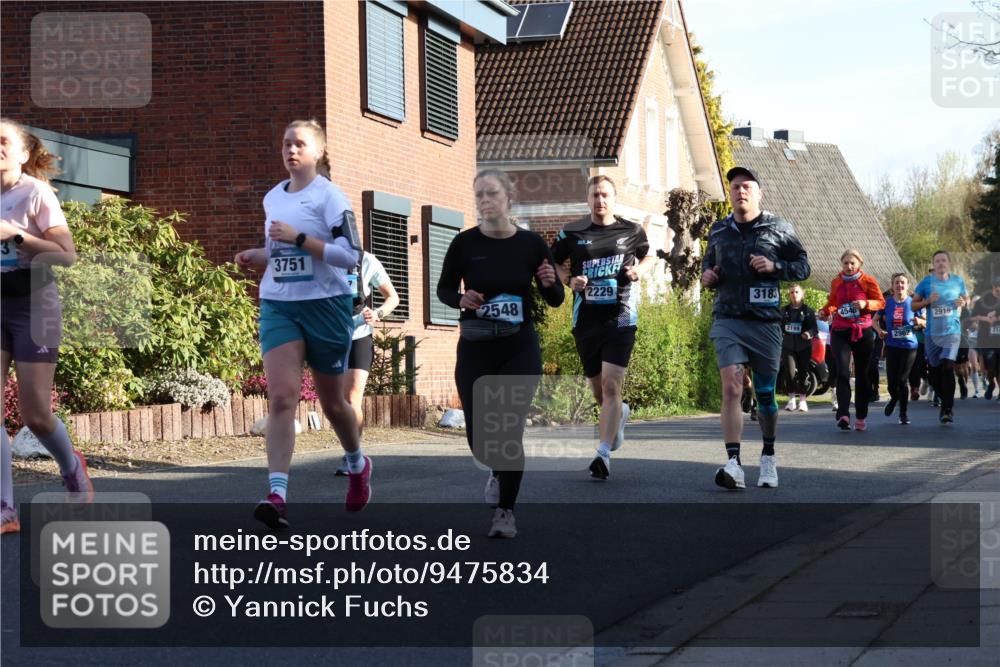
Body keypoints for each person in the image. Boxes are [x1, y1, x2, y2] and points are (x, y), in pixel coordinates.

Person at [234, 119, 368, 530]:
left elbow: (352, 256)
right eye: (286, 143)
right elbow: (280, 252)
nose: (291, 150)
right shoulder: (273, 196)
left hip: (326, 305)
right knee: (282, 399)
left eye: (300, 144)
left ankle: (357, 462)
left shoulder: (329, 197)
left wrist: (297, 240)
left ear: (318, 152)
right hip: (280, 304)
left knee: (333, 405)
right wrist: (260, 254)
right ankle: (278, 495)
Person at [437, 169, 564, 538]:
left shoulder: (531, 244)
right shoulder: (464, 244)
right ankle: (494, 468)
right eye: (478, 195)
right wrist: (460, 298)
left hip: (518, 346)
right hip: (476, 347)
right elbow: (444, 289)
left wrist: (549, 282)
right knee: (481, 439)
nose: (484, 200)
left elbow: (555, 299)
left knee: (508, 430)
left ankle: (505, 513)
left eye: (491, 193)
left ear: (509, 198)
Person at [1, 119, 94, 534]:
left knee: (36, 415)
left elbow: (66, 256)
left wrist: (16, 237)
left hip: (34, 306)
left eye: (4, 142)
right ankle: (5, 509)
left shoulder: (36, 193)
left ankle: (72, 467)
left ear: (23, 153)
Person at [701, 166, 810, 490]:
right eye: (735, 186)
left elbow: (804, 266)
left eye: (747, 186)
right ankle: (733, 463)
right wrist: (708, 277)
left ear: (759, 192)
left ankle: (768, 455)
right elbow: (708, 267)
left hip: (765, 323)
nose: (740, 191)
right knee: (733, 388)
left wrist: (775, 266)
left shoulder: (779, 227)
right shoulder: (719, 230)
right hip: (728, 319)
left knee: (765, 395)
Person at [550, 175, 654, 481]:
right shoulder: (571, 232)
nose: (601, 201)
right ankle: (618, 414)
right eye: (595, 195)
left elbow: (649, 255)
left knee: (611, 385)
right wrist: (569, 280)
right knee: (600, 392)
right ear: (588, 199)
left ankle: (603, 453)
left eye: (606, 195)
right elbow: (552, 262)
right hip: (586, 321)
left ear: (614, 198)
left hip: (621, 317)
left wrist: (638, 271)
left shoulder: (631, 230)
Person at [334, 252, 399, 476]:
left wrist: (378, 312)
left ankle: (353, 454)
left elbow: (393, 297)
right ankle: (351, 448)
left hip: (359, 333)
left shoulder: (366, 260)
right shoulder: (317, 256)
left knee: (352, 397)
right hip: (328, 334)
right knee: (336, 401)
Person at [819, 249, 885, 431]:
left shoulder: (868, 281)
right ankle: (843, 414)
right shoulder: (836, 281)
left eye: (852, 263)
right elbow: (833, 302)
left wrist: (866, 304)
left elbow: (880, 302)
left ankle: (861, 416)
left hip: (863, 331)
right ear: (842, 264)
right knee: (842, 372)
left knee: (863, 375)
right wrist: (825, 311)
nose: (849, 266)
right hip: (841, 330)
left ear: (859, 264)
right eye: (846, 263)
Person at [911, 250, 969, 424]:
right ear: (933, 264)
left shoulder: (958, 281)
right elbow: (913, 305)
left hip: (952, 332)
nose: (941, 263)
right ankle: (944, 401)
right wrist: (927, 301)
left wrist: (963, 302)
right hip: (931, 334)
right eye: (937, 261)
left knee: (947, 366)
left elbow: (966, 299)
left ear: (948, 263)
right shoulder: (925, 283)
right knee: (935, 374)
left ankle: (947, 409)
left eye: (944, 260)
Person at [873, 273, 923, 424]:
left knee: (902, 380)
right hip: (892, 346)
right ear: (892, 286)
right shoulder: (886, 303)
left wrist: (919, 321)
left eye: (902, 283)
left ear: (907, 286)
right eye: (897, 283)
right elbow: (874, 320)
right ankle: (894, 398)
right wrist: (879, 331)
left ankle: (903, 413)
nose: (899, 285)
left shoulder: (914, 303)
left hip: (909, 347)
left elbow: (925, 321)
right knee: (891, 384)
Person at [779, 284, 818, 412]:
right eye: (791, 292)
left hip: (804, 346)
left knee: (802, 373)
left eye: (796, 292)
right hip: (788, 345)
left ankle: (802, 400)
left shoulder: (808, 311)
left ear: (802, 294)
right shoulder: (783, 311)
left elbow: (814, 329)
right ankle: (791, 400)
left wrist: (808, 333)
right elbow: (778, 327)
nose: (794, 294)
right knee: (789, 372)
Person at [969, 277, 1000, 400]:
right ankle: (991, 383)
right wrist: (986, 319)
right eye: (997, 287)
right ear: (993, 287)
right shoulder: (983, 301)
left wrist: (997, 318)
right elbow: (974, 316)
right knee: (990, 368)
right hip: (987, 340)